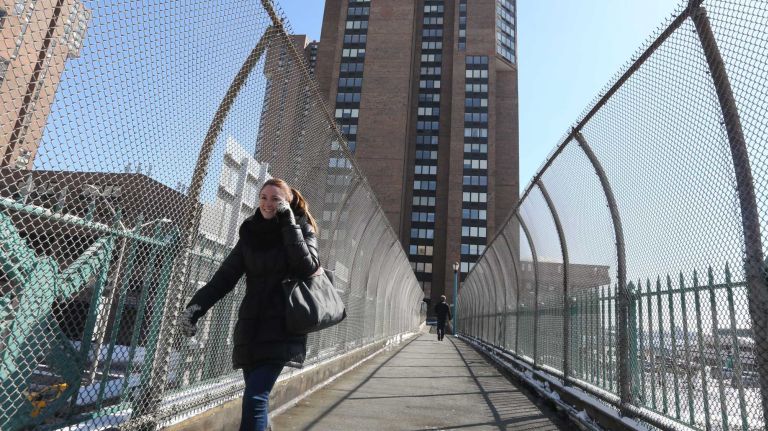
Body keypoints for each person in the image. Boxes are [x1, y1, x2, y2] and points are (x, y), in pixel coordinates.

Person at [178, 178, 320, 431]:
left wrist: (288, 223)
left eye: (276, 199)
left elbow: (307, 266)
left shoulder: (301, 228)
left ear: (288, 202)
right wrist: (194, 309)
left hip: (282, 328)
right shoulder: (250, 233)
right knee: (257, 400)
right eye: (263, 197)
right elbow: (223, 280)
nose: (267, 204)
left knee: (255, 397)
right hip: (251, 328)